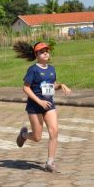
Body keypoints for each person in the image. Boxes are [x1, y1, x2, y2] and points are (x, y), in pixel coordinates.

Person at [14, 41, 72, 173]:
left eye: (46, 50)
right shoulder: (33, 69)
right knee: (37, 137)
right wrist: (39, 101)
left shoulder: (51, 69)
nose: (45, 53)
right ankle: (23, 135)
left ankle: (50, 162)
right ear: (36, 55)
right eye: (41, 51)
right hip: (35, 107)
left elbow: (52, 86)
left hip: (49, 105)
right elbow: (26, 88)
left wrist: (61, 85)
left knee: (54, 132)